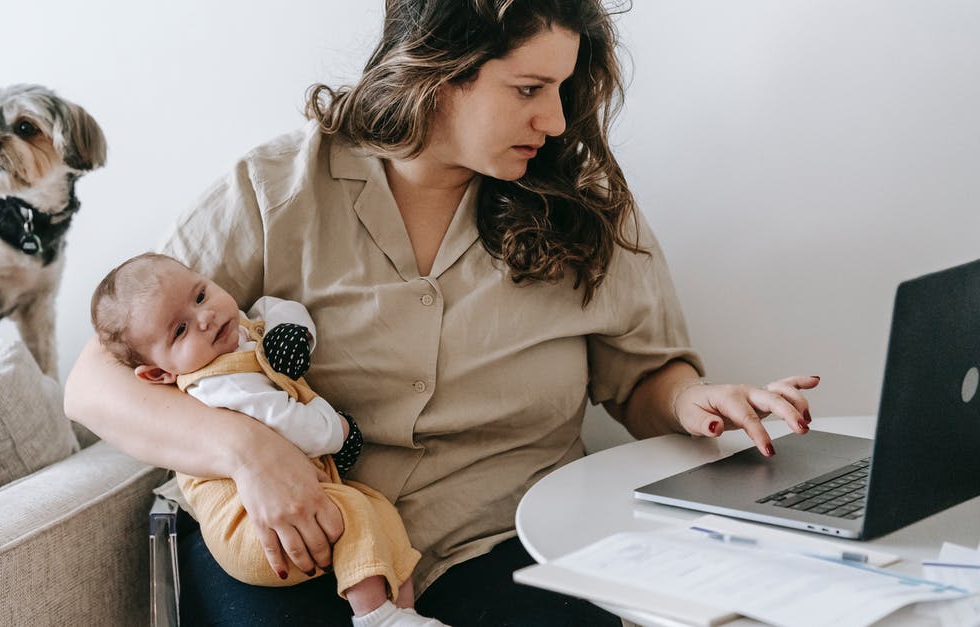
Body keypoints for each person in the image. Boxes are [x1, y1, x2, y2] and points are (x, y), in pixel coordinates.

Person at [65, 1, 818, 624]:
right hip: (299, 537)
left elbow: (643, 379)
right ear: (439, 71)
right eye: (528, 90)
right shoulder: (275, 189)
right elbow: (94, 386)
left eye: (561, 89)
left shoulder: (580, 206)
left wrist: (695, 401)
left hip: (505, 539)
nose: (555, 121)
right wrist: (245, 449)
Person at [89, 252, 440, 626]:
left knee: (378, 510)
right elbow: (289, 423)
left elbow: (273, 307)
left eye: (201, 295)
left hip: (297, 498)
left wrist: (292, 334)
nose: (204, 318)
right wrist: (337, 430)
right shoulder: (215, 383)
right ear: (159, 374)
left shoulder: (239, 328)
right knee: (354, 513)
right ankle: (374, 616)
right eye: (180, 330)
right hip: (251, 528)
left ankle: (403, 613)